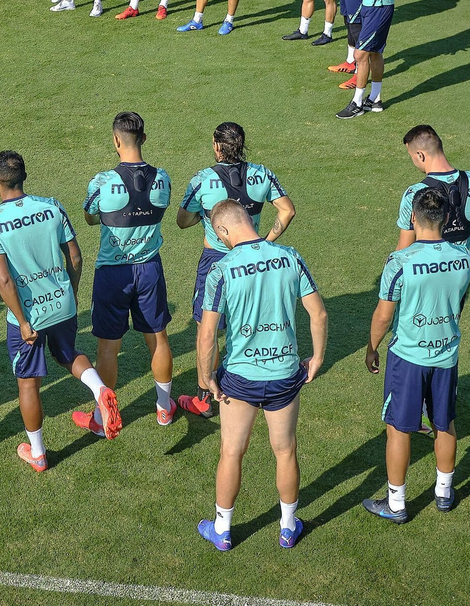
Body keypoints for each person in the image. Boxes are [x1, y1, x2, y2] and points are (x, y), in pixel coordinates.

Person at [195, 200, 327, 551]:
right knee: (285, 451)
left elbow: (207, 335)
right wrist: (317, 358)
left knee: (231, 452)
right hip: (285, 374)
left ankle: (222, 530)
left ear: (223, 230)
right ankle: (288, 527)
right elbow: (318, 314)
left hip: (240, 379)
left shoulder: (222, 269)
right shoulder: (290, 256)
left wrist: (207, 377)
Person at [0, 150, 120, 471]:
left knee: (28, 383)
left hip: (28, 316)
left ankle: (39, 453)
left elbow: (4, 280)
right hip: (62, 302)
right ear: (24, 177)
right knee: (67, 352)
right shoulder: (52, 206)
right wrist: (72, 294)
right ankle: (100, 390)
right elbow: (76, 257)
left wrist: (23, 321)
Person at [362, 188, 470, 523]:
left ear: (413, 217)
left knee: (398, 429)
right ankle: (444, 493)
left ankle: (396, 504)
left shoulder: (400, 262)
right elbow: (459, 301)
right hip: (446, 356)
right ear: (446, 218)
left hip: (408, 358)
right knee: (444, 422)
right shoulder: (464, 257)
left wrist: (372, 348)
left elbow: (384, 315)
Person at [175, 122, 296, 417]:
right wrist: (266, 241)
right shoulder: (261, 174)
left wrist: (207, 218)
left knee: (208, 328)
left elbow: (182, 220)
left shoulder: (203, 180)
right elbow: (288, 210)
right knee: (248, 319)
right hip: (253, 259)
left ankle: (205, 397)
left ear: (217, 146)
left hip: (216, 259)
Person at [83, 112, 176, 426]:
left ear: (115, 140)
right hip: (149, 269)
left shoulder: (102, 182)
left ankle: (102, 417)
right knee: (158, 340)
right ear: (143, 139)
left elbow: (90, 217)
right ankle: (164, 407)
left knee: (108, 349)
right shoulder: (162, 178)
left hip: (112, 274)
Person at [396, 125, 470, 253]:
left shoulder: (415, 193)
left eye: (412, 156)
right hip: (462, 263)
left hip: (427, 264)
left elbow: (403, 251)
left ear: (420, 155)